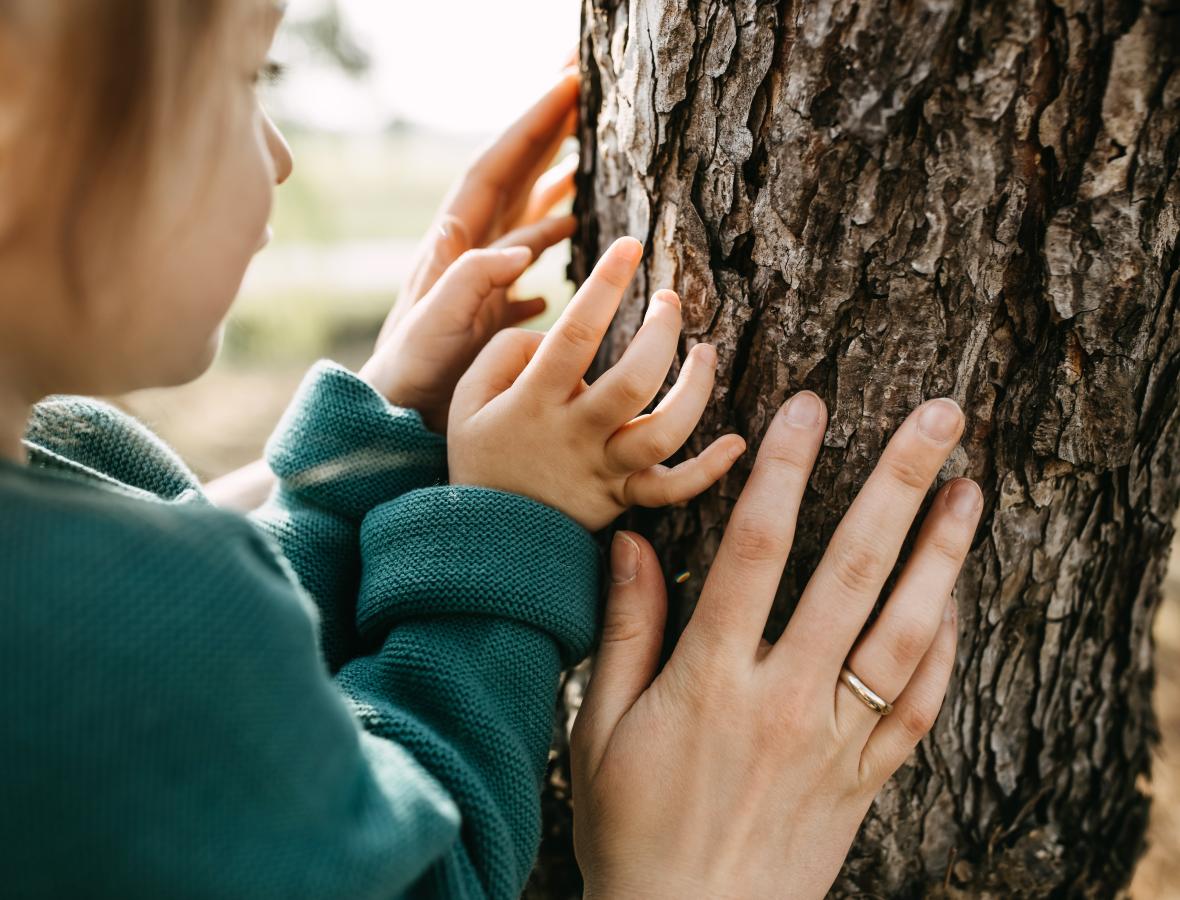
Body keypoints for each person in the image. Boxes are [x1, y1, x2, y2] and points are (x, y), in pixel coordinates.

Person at [0, 2, 982, 897]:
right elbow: (428, 870)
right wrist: (510, 528)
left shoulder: (52, 495)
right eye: (250, 76)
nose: (282, 155)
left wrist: (367, 458)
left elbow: (192, 750)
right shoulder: (94, 637)